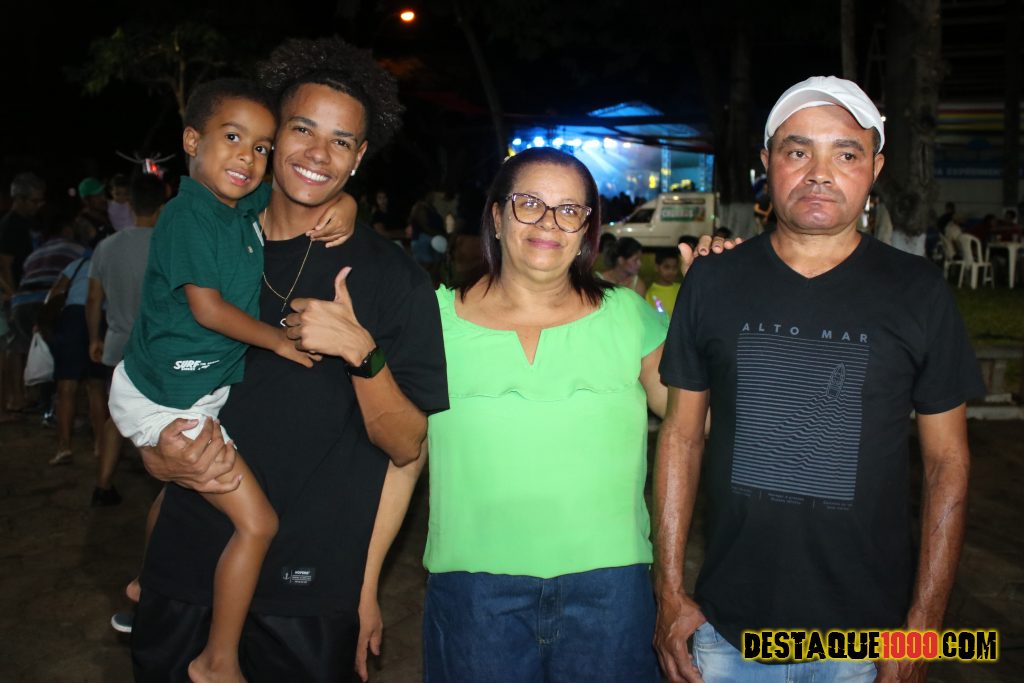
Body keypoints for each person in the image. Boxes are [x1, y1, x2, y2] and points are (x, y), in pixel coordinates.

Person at [130, 37, 448, 683]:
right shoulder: (207, 243)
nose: (318, 154)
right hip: (184, 569)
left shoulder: (395, 280)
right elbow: (152, 372)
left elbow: (407, 444)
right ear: (273, 137)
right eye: (302, 129)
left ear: (359, 157)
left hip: (309, 588)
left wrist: (360, 351)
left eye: (340, 140)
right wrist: (151, 451)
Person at [653, 75, 985, 683]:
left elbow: (947, 463)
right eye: (798, 151)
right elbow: (680, 436)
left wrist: (924, 623)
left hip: (867, 638)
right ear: (767, 162)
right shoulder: (713, 280)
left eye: (846, 154)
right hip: (729, 630)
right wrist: (669, 591)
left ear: (875, 169)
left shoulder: (919, 293)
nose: (820, 173)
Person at [108, 77, 354, 683]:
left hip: (187, 388)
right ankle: (217, 661)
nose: (249, 157)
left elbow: (303, 194)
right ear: (192, 140)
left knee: (181, 490)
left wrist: (346, 204)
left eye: (262, 146)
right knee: (258, 523)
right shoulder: (189, 214)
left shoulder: (234, 206)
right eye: (233, 138)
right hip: (169, 396)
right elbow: (208, 309)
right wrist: (278, 339)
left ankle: (145, 579)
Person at [402, 147, 668, 681]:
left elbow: (697, 423)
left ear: (586, 230)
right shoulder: (433, 319)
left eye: (569, 210)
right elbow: (403, 457)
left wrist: (724, 304)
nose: (549, 222)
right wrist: (365, 586)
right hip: (474, 592)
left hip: (610, 590)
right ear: (497, 217)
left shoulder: (628, 316)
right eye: (529, 203)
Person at [87, 172, 167, 505]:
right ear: (162, 206)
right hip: (158, 347)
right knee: (163, 417)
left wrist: (94, 338)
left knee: (116, 417)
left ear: (130, 204)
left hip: (118, 344)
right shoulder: (169, 245)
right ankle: (168, 493)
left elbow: (94, 298)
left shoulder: (106, 246)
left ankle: (103, 485)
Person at [45, 241, 109, 467]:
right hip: (100, 317)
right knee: (96, 386)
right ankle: (100, 446)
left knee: (66, 385)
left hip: (72, 318)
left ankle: (64, 446)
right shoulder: (108, 263)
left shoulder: (77, 264)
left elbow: (57, 291)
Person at [0, 172, 46, 418]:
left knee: (25, 345)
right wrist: (12, 293)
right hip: (16, 294)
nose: (39, 205)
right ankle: (14, 397)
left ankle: (27, 395)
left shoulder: (32, 223)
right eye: (34, 201)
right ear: (19, 199)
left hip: (30, 293)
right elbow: (4, 264)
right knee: (14, 348)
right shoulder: (10, 224)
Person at [645, 248, 681, 318]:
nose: (671, 271)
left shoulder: (681, 288)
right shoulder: (651, 294)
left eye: (674, 267)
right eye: (666, 267)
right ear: (656, 267)